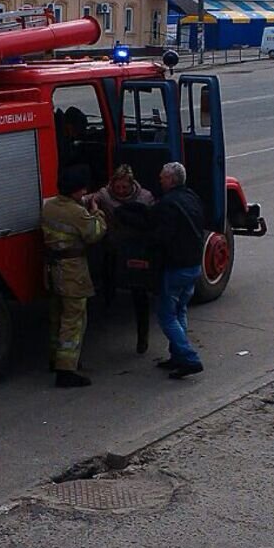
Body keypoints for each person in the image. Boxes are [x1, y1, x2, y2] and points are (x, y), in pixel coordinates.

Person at [41, 165, 106, 388]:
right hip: (72, 272)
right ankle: (66, 369)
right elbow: (95, 233)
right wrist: (96, 210)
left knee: (56, 317)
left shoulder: (49, 207)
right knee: (74, 320)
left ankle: (55, 358)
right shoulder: (77, 212)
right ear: (76, 190)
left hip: (52, 270)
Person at [91, 164, 157, 354]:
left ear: (131, 185)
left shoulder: (145, 197)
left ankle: (142, 338)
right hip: (113, 249)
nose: (120, 191)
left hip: (135, 251)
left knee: (139, 293)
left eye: (124, 188)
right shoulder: (104, 195)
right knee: (108, 282)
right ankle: (107, 311)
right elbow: (87, 199)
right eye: (117, 187)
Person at [151, 161, 206, 379]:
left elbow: (163, 236)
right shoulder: (192, 197)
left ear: (171, 180)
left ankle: (189, 357)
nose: (160, 180)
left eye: (163, 177)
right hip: (193, 265)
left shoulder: (167, 204)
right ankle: (178, 356)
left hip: (176, 267)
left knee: (166, 316)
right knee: (180, 310)